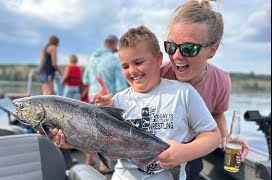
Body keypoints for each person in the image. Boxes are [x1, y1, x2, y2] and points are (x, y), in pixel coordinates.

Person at [95, 0, 249, 179]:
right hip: (146, 151)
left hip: (192, 144)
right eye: (171, 46)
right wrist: (107, 108)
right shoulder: (154, 75)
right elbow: (130, 110)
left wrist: (227, 138)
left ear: (212, 51)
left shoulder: (221, 81)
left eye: (188, 48)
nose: (176, 56)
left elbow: (217, 113)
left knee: (192, 170)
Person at [49, 25, 221, 179]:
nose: (132, 71)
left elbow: (213, 136)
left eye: (138, 62)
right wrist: (74, 141)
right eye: (125, 66)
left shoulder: (183, 93)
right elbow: (111, 154)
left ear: (159, 59)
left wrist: (185, 152)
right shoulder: (117, 102)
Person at [82, 34, 128, 173]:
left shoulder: (91, 59)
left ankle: (88, 160)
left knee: (88, 131)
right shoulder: (114, 58)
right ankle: (103, 165)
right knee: (107, 133)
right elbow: (121, 84)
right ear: (114, 45)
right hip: (108, 100)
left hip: (92, 98)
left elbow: (85, 80)